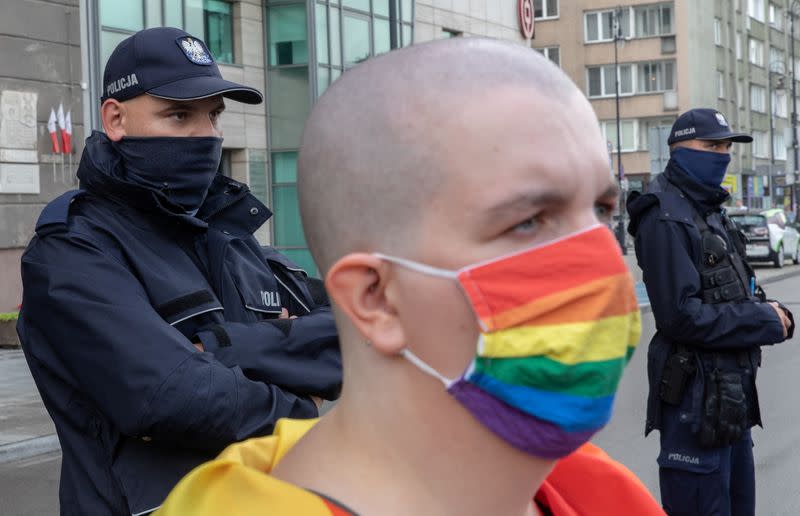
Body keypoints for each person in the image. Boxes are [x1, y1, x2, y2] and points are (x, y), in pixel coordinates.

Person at [156, 38, 664, 515]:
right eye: (527, 221)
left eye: (600, 209)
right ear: (375, 299)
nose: (600, 259)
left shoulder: (603, 494)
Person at [17, 27, 341, 516]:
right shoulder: (74, 249)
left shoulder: (233, 238)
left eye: (213, 115)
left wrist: (225, 348)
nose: (206, 134)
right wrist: (301, 407)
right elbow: (166, 397)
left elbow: (356, 330)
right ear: (116, 118)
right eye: (179, 114)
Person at [627, 108, 794, 515]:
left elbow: (736, 291)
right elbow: (680, 316)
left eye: (725, 147)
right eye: (710, 146)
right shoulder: (665, 216)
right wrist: (761, 321)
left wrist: (767, 309)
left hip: (729, 403)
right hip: (695, 409)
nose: (721, 155)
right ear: (679, 148)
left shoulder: (709, 212)